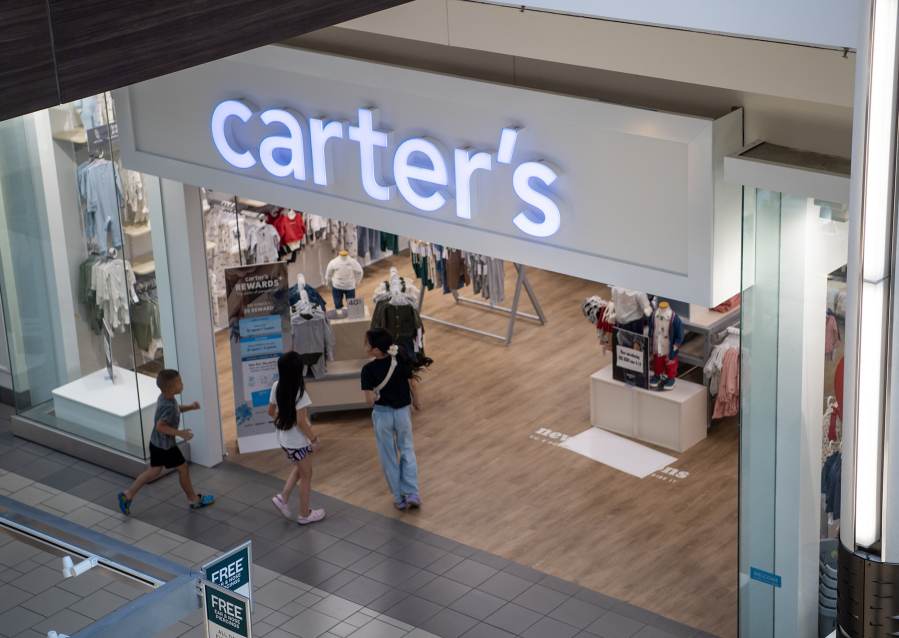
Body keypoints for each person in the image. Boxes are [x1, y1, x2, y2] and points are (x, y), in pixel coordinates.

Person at [118, 370, 213, 515]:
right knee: (183, 468)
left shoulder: (165, 398)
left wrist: (190, 407)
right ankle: (193, 499)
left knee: (154, 471)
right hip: (166, 447)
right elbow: (161, 426)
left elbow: (175, 410)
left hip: (155, 443)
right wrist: (180, 433)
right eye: (180, 382)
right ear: (172, 389)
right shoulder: (168, 405)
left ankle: (128, 494)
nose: (183, 384)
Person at [361, 328, 433, 510]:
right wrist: (416, 402)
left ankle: (398, 497)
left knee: (388, 455)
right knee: (407, 449)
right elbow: (413, 385)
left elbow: (369, 401)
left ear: (376, 349)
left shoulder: (367, 370)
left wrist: (376, 399)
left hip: (382, 415)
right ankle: (412, 492)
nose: (365, 345)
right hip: (402, 413)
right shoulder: (399, 360)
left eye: (367, 343)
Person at [268, 351, 325, 524]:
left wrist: (285, 419)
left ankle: (283, 497)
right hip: (297, 442)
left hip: (285, 440)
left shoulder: (277, 386)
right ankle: (304, 514)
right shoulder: (300, 393)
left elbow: (271, 412)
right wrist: (315, 440)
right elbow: (301, 422)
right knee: (307, 475)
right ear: (299, 370)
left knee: (301, 469)